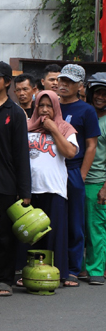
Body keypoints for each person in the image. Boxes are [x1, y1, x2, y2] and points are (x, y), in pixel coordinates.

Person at [0, 61, 31, 297]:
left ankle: (5, 278)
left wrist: (25, 192)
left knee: (4, 234)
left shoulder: (15, 112)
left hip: (6, 181)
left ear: (7, 82)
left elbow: (21, 153)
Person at [22, 90, 79, 286]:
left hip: (54, 188)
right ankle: (27, 273)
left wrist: (53, 129)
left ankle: (58, 273)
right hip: (30, 189)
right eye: (41, 105)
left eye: (49, 106)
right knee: (29, 234)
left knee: (55, 234)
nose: (45, 110)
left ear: (56, 107)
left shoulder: (65, 128)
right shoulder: (28, 126)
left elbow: (70, 153)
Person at [58, 64, 101, 287]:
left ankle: (74, 269)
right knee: (53, 219)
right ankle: (52, 265)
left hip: (74, 170)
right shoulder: (49, 105)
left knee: (76, 222)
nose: (63, 85)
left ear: (80, 86)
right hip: (50, 170)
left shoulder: (86, 110)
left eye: (70, 82)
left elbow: (91, 145)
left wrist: (82, 175)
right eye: (62, 80)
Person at [84, 73, 106, 285]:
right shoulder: (86, 114)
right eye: (97, 92)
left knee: (96, 228)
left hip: (97, 181)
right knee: (79, 227)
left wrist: (105, 187)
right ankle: (80, 267)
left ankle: (96, 269)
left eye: (105, 93)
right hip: (76, 179)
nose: (100, 96)